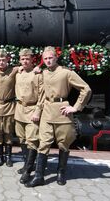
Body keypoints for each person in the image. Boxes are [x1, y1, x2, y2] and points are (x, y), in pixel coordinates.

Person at [26, 46, 91, 188]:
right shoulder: (43, 73)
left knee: (64, 144)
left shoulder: (66, 73)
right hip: (47, 112)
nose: (48, 61)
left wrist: (75, 107)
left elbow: (85, 89)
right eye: (45, 59)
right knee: (43, 144)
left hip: (62, 112)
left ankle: (61, 173)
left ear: (56, 58)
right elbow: (42, 94)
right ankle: (39, 176)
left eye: (50, 58)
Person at [14, 48, 44, 184]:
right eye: (23, 59)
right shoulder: (18, 73)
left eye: (27, 59)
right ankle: (27, 164)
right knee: (22, 138)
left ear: (32, 60)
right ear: (20, 60)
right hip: (20, 109)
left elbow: (42, 95)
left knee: (32, 140)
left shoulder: (38, 74)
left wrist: (38, 111)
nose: (25, 61)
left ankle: (28, 171)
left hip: (32, 109)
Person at [0, 50, 19, 167]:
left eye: (3, 60)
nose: (1, 62)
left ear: (8, 60)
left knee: (8, 131)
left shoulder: (14, 70)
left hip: (9, 106)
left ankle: (8, 157)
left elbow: (26, 68)